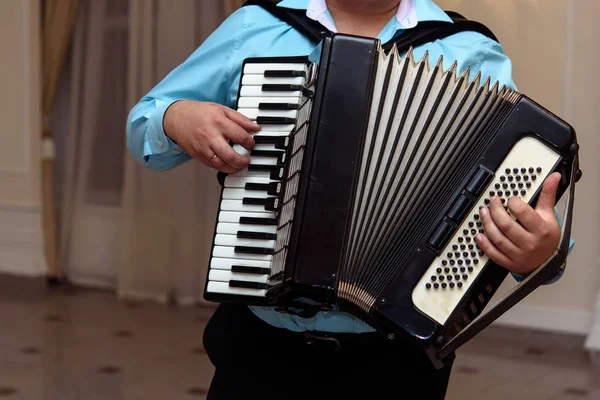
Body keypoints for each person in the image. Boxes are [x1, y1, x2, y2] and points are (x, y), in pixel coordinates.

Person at [126, 0, 573, 398]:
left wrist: (539, 252)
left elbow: (511, 200)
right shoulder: (257, 25)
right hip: (260, 346)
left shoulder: (468, 51)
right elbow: (144, 121)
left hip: (396, 361)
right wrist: (174, 116)